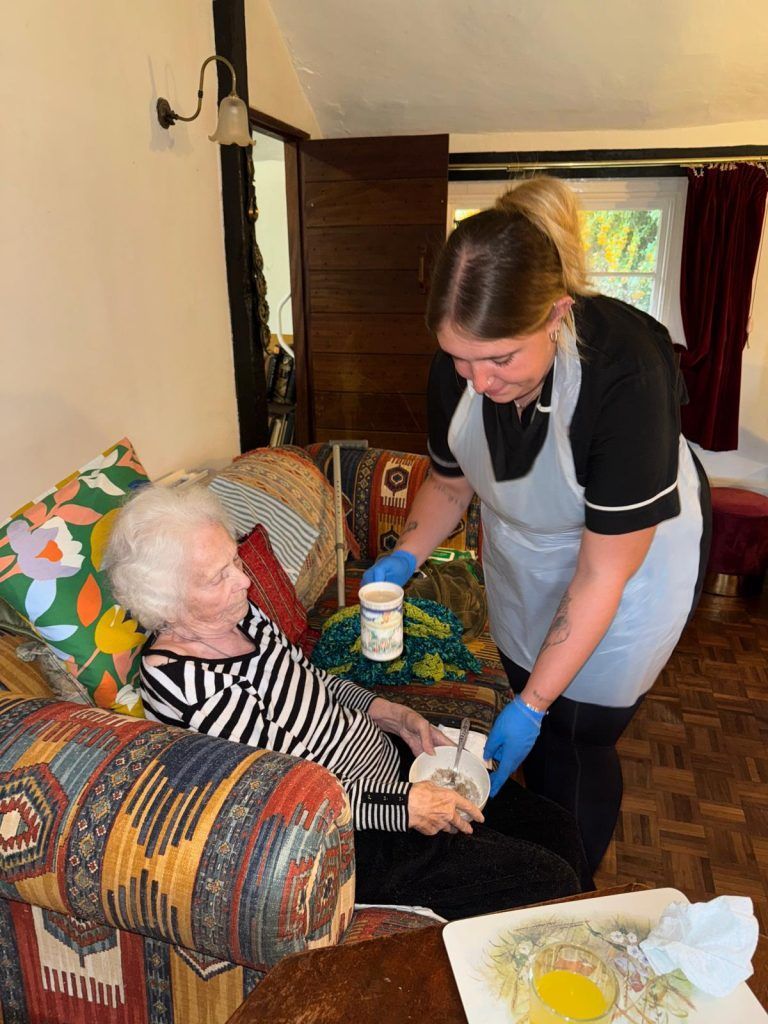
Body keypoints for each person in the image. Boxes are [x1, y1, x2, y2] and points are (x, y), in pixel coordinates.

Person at [363, 176, 711, 874]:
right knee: (532, 702)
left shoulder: (624, 376)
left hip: (628, 565)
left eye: (500, 360)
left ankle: (566, 888)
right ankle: (532, 861)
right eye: (462, 359)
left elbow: (602, 570)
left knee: (576, 733)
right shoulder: (456, 367)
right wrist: (403, 557)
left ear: (555, 315)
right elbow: (452, 483)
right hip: (523, 551)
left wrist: (533, 704)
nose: (479, 381)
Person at [103, 483, 591, 920]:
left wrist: (392, 714)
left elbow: (308, 679)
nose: (244, 581)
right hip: (351, 831)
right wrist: (406, 807)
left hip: (388, 765)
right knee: (544, 879)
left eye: (235, 560)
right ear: (165, 600)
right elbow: (287, 794)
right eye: (217, 577)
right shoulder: (183, 685)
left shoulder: (239, 615)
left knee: (556, 825)